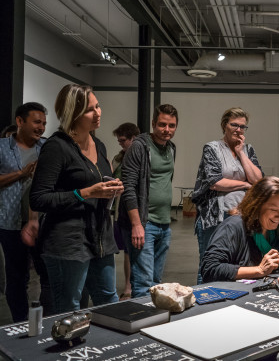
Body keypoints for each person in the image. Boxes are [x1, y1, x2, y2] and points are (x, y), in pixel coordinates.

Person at [30, 85, 124, 313]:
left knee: (108, 300)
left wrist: (111, 188)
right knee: (69, 307)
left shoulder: (98, 144)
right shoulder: (57, 146)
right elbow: (39, 198)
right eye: (90, 110)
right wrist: (87, 192)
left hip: (100, 237)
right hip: (68, 242)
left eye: (98, 106)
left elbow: (97, 182)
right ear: (73, 112)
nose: (98, 113)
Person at [192, 107, 263, 284]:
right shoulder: (212, 148)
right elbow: (215, 181)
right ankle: (203, 302)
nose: (238, 130)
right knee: (209, 264)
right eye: (234, 125)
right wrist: (245, 184)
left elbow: (258, 179)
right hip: (215, 216)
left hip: (241, 216)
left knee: (234, 262)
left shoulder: (248, 150)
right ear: (225, 125)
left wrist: (241, 152)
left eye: (243, 127)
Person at [119, 104, 178, 298]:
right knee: (143, 283)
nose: (166, 130)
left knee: (155, 283)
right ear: (153, 124)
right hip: (145, 223)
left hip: (164, 224)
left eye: (171, 125)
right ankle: (139, 323)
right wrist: (136, 224)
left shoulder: (171, 148)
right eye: (162, 124)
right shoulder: (139, 147)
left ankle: (152, 321)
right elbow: (128, 187)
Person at [0, 102, 51, 321]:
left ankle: (46, 320)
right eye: (37, 122)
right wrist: (22, 173)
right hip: (9, 223)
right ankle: (20, 322)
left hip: (42, 223)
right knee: (16, 277)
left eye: (44, 124)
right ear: (20, 121)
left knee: (46, 275)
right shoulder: (2, 147)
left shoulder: (47, 148)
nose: (41, 128)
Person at [200, 176, 279, 283]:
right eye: (273, 209)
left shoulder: (273, 231)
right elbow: (210, 269)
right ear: (256, 206)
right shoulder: (233, 226)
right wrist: (259, 270)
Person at [111, 122, 140, 300]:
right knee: (126, 251)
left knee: (133, 251)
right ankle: (128, 286)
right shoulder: (118, 158)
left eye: (123, 140)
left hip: (135, 208)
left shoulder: (141, 156)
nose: (120, 143)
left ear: (133, 138)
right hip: (120, 209)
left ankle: (135, 287)